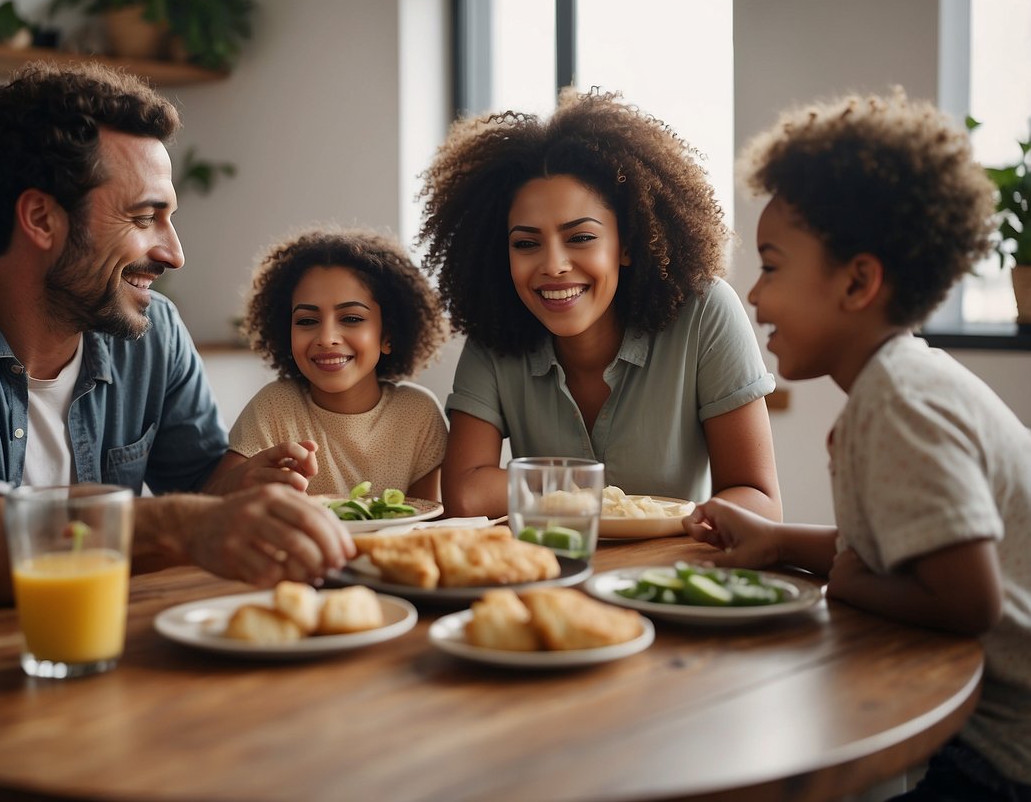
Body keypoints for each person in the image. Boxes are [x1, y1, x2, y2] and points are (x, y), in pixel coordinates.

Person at [0, 61, 354, 640]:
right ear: (41, 218)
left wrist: (245, 490)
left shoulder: (156, 334)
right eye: (145, 218)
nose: (173, 253)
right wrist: (183, 524)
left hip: (94, 663)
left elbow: (199, 485)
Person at [684, 90, 1031, 798]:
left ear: (857, 280)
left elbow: (969, 602)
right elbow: (910, 546)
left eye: (772, 266)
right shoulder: (904, 383)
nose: (753, 295)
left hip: (1006, 754)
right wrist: (777, 543)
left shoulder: (901, 404)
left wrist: (849, 582)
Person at [417, 88, 782, 519]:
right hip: (547, 575)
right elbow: (466, 494)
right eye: (526, 243)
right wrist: (611, 500)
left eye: (581, 238)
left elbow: (759, 502)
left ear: (626, 244)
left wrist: (550, 492)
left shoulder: (705, 312)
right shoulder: (495, 333)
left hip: (670, 572)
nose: (553, 265)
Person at [219, 228, 449, 501]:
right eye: (306, 321)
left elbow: (428, 522)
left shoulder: (418, 413)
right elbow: (209, 504)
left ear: (388, 335)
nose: (326, 339)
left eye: (351, 318)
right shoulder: (274, 406)